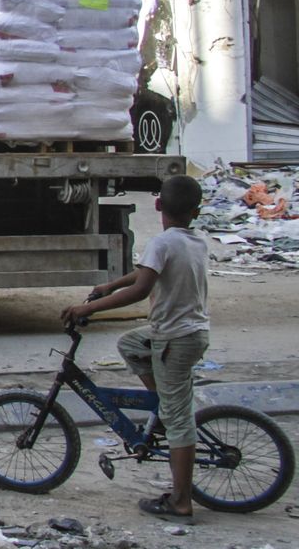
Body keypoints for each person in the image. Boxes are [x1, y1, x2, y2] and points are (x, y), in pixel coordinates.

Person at [63, 174, 210, 519]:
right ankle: (161, 410)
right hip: (186, 334)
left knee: (179, 421)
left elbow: (142, 289)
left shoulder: (162, 241)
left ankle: (181, 500)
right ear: (196, 211)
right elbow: (147, 272)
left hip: (175, 339)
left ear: (158, 205)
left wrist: (88, 308)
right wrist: (109, 286)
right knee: (130, 344)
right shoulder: (195, 240)